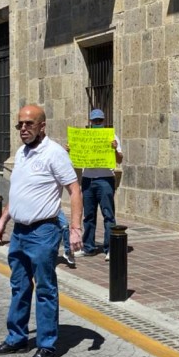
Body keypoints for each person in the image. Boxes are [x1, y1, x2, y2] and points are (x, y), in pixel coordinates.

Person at [0, 104, 83, 357]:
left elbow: (75, 190)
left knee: (44, 288)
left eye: (29, 124)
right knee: (19, 285)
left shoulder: (54, 153)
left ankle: (47, 345)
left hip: (43, 232)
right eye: (20, 124)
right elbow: (17, 192)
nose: (23, 129)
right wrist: (2, 221)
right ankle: (17, 338)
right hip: (19, 232)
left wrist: (75, 228)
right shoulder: (21, 153)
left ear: (42, 126)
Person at [74, 109, 123, 262]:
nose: (97, 123)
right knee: (88, 215)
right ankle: (88, 247)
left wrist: (115, 149)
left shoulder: (111, 136)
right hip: (88, 179)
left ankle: (111, 249)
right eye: (95, 121)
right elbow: (75, 157)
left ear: (103, 121)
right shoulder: (84, 138)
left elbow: (120, 160)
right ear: (90, 122)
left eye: (99, 121)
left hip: (105, 179)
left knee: (108, 215)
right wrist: (70, 150)